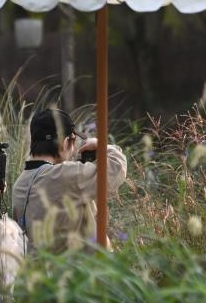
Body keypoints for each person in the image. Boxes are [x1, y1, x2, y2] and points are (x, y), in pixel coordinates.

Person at [12, 108, 128, 253]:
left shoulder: (18, 185)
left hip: (42, 271)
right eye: (73, 141)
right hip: (82, 272)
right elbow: (117, 166)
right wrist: (102, 145)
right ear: (66, 142)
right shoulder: (66, 175)